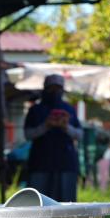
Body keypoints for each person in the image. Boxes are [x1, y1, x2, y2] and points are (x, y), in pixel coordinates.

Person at [24, 73, 83, 202]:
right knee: (38, 203)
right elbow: (28, 134)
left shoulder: (69, 109)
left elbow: (80, 134)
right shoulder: (36, 110)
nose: (55, 92)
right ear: (45, 88)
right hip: (40, 163)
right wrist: (46, 126)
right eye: (51, 88)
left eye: (58, 88)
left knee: (66, 203)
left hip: (65, 163)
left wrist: (66, 126)